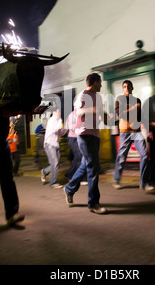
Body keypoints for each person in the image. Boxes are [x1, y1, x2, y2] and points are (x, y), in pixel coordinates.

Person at [63, 73, 111, 214]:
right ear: (95, 83)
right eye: (100, 82)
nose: (101, 85)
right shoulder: (82, 96)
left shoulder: (98, 97)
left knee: (86, 165)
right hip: (84, 136)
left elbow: (101, 115)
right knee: (93, 168)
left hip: (95, 135)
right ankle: (93, 203)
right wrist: (94, 110)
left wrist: (107, 117)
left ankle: (69, 189)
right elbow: (78, 113)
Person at [112, 80, 149, 189]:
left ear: (132, 88)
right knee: (122, 157)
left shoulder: (137, 100)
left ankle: (144, 183)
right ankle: (116, 179)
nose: (126, 88)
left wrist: (149, 126)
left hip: (136, 131)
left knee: (145, 156)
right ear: (122, 89)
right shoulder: (119, 100)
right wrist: (133, 108)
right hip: (125, 132)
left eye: (128, 86)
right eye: (124, 86)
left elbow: (140, 117)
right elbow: (120, 115)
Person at [40, 108, 68, 188]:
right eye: (58, 111)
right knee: (55, 163)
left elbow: (60, 133)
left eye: (59, 111)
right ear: (53, 112)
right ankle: (53, 183)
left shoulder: (59, 120)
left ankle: (44, 171)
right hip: (49, 144)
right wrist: (61, 123)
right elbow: (56, 130)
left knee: (57, 164)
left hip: (55, 144)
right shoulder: (52, 120)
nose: (59, 113)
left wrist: (66, 127)